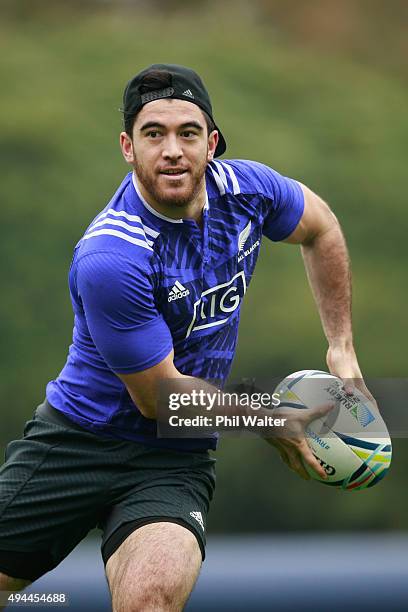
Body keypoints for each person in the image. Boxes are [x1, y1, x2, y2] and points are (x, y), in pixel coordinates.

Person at [0, 63, 371, 611]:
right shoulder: (112, 256)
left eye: (188, 133)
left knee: (151, 599)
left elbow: (321, 228)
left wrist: (341, 345)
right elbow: (158, 400)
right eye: (154, 134)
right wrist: (270, 419)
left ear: (212, 143)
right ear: (128, 147)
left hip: (172, 456)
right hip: (76, 440)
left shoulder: (248, 190)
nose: (172, 150)